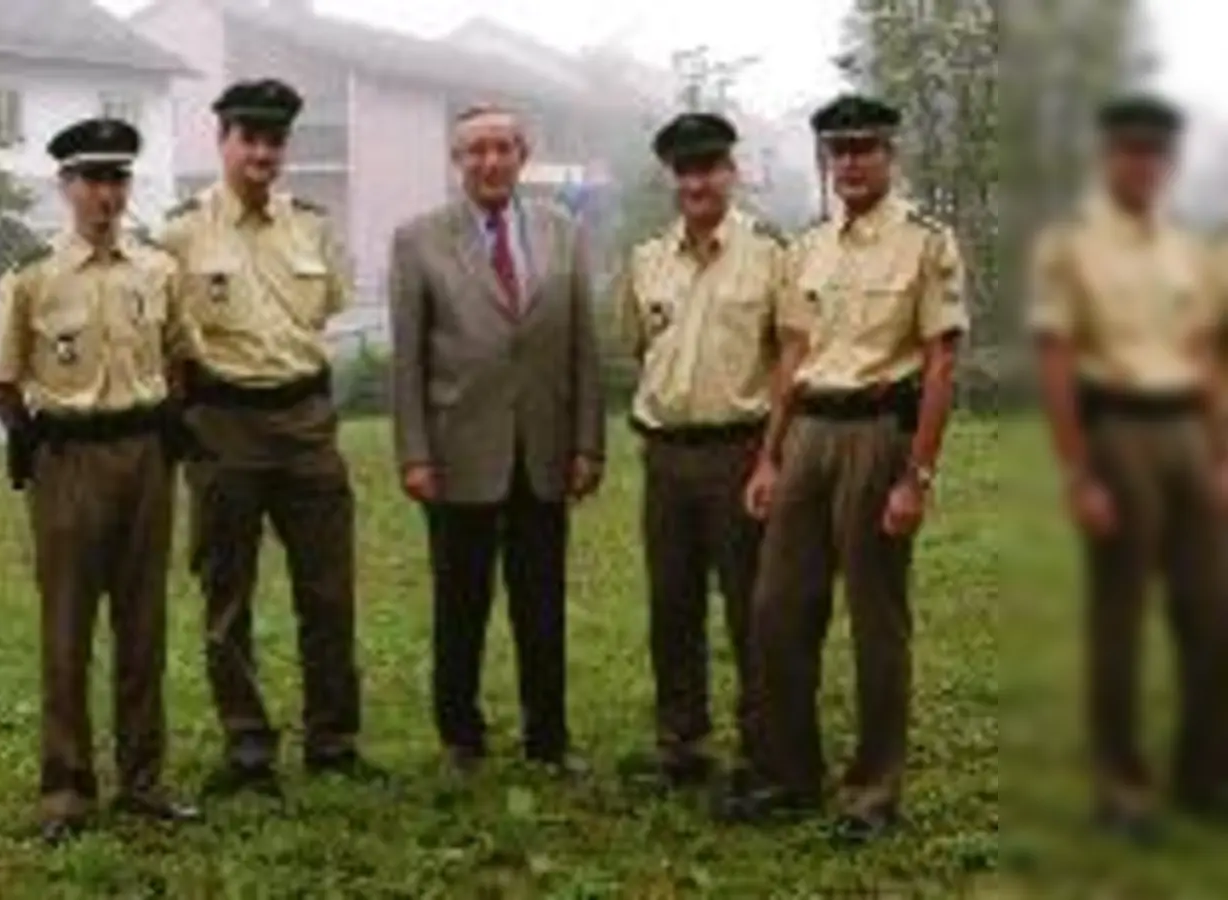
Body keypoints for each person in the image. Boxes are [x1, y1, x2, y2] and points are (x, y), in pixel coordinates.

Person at [727, 95, 970, 845]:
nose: (852, 163)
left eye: (865, 148)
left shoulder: (926, 241)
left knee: (875, 618)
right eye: (839, 151)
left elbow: (941, 361)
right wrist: (770, 455)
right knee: (777, 609)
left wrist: (916, 475)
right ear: (827, 162)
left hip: (877, 434)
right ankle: (789, 774)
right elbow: (794, 358)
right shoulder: (808, 247)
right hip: (808, 436)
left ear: (889, 155)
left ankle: (872, 792)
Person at [157, 79, 379, 797]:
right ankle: (248, 746)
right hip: (224, 428)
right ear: (221, 141)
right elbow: (166, 344)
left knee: (329, 591)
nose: (262, 151)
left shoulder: (311, 226)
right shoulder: (181, 233)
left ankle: (333, 741)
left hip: (307, 427)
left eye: (273, 139)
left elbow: (330, 310)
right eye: (248, 137)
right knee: (228, 595)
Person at [0, 117, 199, 844]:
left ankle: (143, 781)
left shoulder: (158, 268)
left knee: (144, 625)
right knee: (68, 627)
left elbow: (181, 357)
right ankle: (67, 789)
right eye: (91, 179)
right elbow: (4, 382)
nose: (106, 193)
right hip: (68, 461)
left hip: (144, 453)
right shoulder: (29, 274)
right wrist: (35, 443)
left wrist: (163, 420)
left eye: (117, 179)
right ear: (66, 187)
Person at [1028, 94, 1228, 842]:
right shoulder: (1071, 245)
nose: (1141, 165)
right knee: (1118, 621)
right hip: (1117, 431)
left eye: (1155, 154)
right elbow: (1055, 359)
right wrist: (1079, 472)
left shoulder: (1190, 251)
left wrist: (1221, 454)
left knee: (1212, 611)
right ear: (1108, 156)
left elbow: (1210, 356)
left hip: (1187, 433)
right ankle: (1122, 788)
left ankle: (1205, 774)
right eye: (1128, 151)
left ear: (1167, 164)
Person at [388, 104, 605, 775]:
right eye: (475, 151)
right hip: (457, 455)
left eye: (503, 149)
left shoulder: (563, 231)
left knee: (542, 604)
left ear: (523, 155)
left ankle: (548, 738)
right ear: (458, 161)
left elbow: (583, 350)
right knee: (462, 603)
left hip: (542, 450)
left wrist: (588, 443)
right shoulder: (419, 239)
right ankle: (461, 737)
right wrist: (415, 453)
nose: (490, 162)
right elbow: (408, 361)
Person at [611, 112, 787, 794]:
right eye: (685, 170)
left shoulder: (771, 254)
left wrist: (772, 457)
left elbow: (789, 361)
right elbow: (637, 347)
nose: (698, 181)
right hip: (666, 457)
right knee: (672, 605)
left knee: (752, 607)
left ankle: (762, 748)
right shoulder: (646, 260)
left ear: (731, 172)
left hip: (741, 452)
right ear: (672, 178)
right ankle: (680, 744)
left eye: (710, 166)